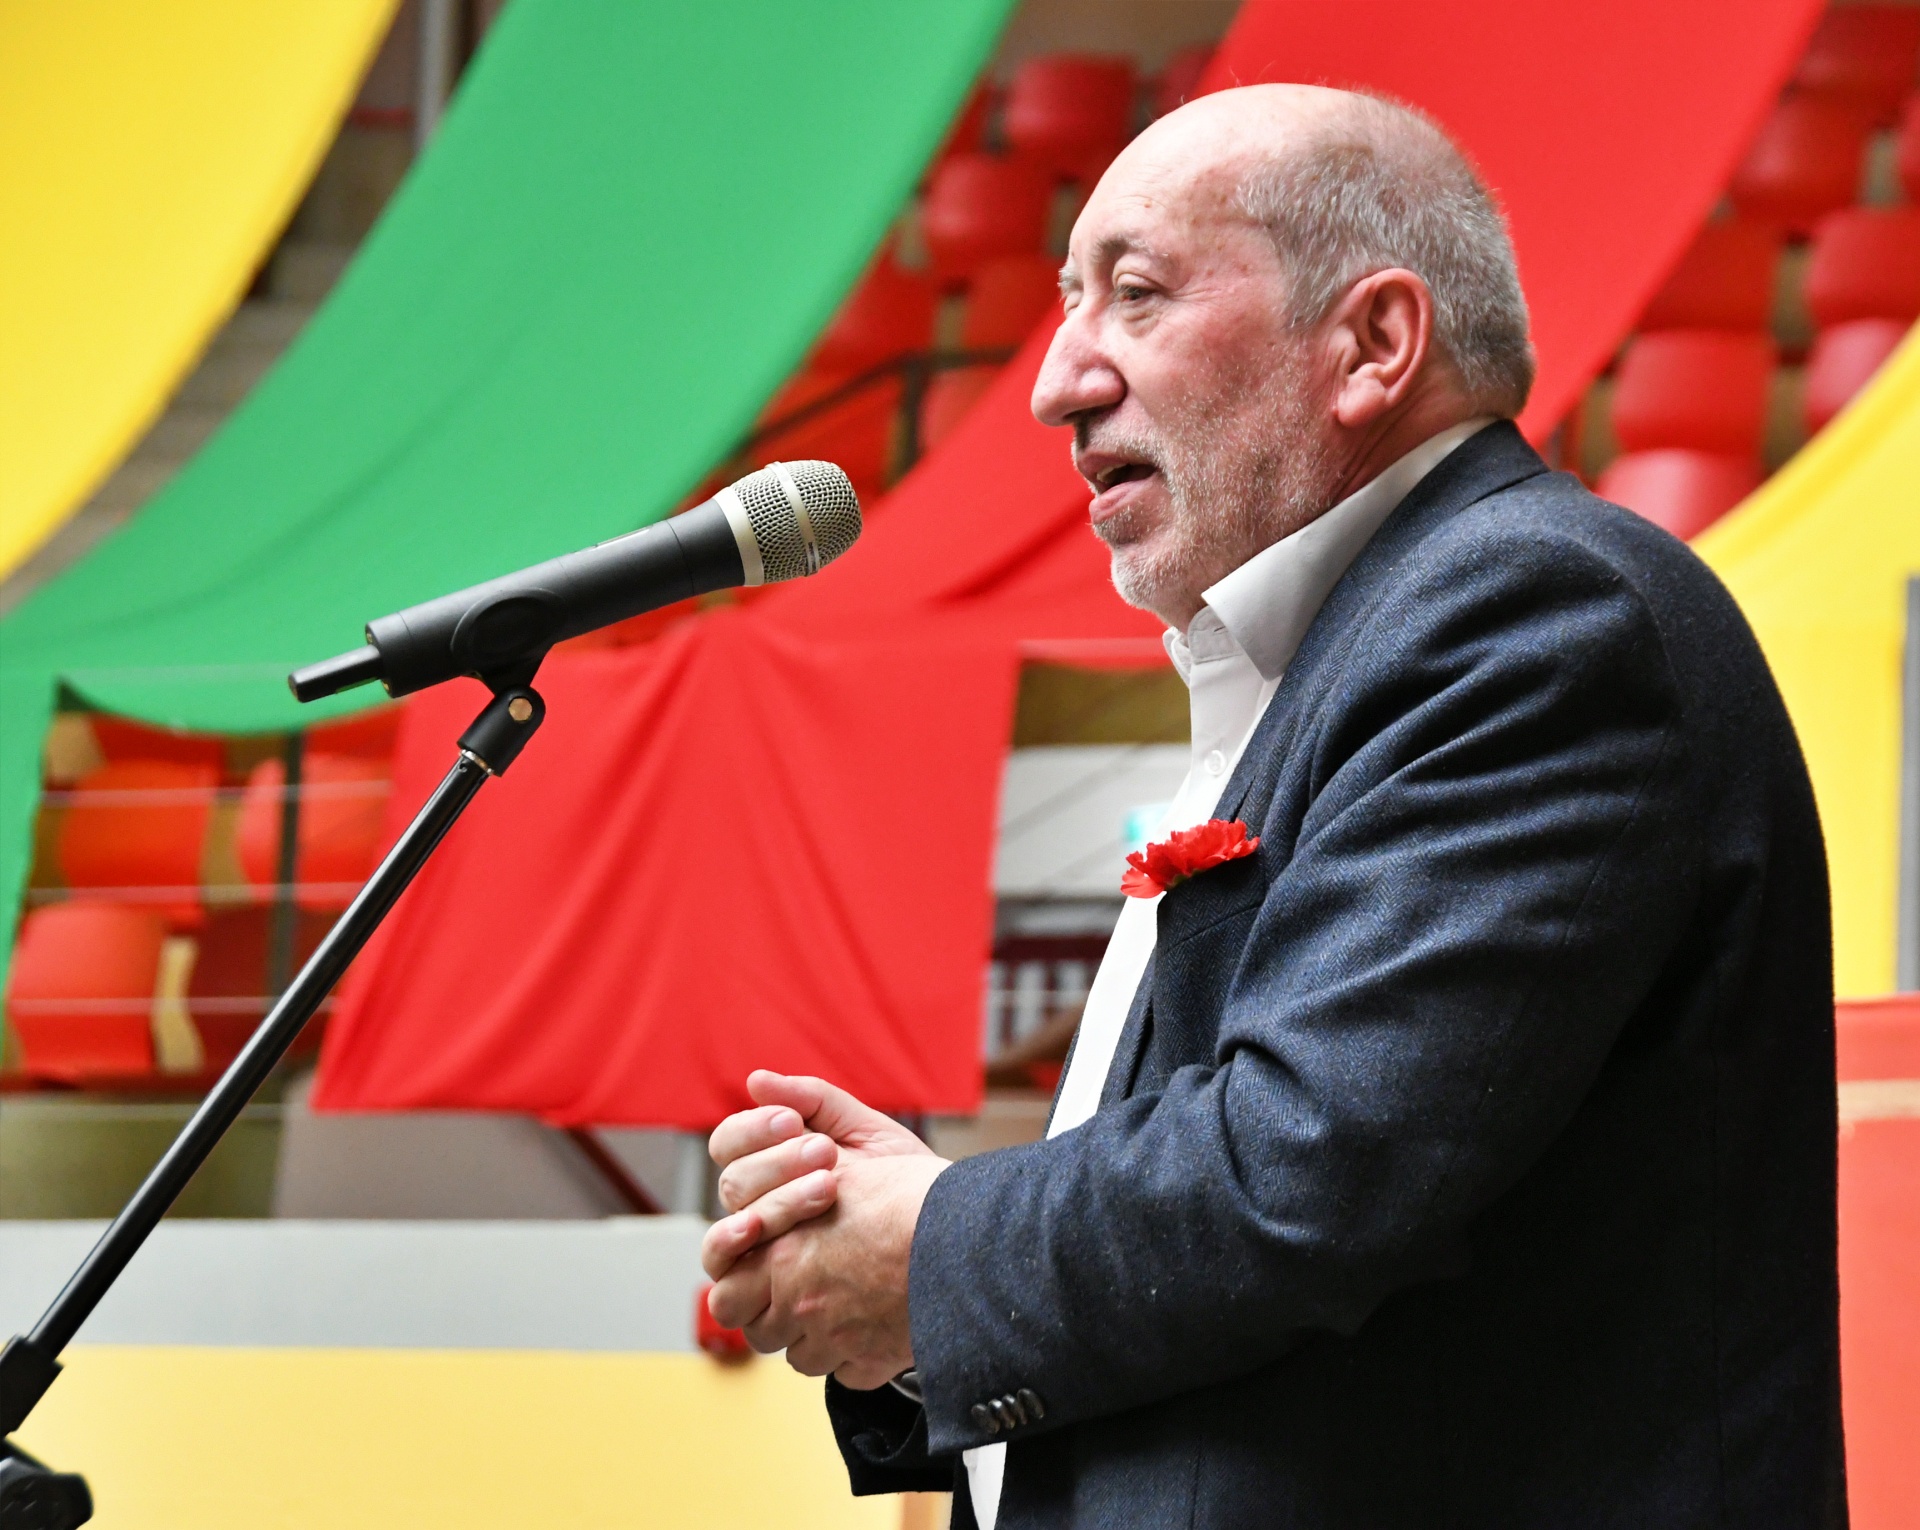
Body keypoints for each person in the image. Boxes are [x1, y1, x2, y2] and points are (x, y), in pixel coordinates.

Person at [699, 84, 1844, 1528]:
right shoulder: (1347, 649)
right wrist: (915, 1295)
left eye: (1135, 294)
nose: (1056, 381)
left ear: (1372, 345)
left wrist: (931, 1248)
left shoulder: (1534, 614)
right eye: (1065, 304)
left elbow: (1305, 1169)